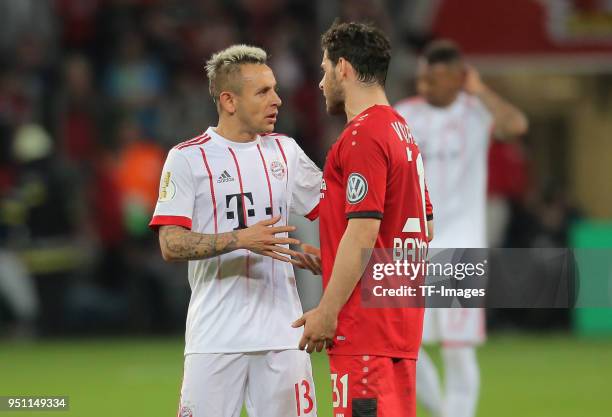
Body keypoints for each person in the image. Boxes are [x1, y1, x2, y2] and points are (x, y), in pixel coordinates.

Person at [149, 44, 322, 417]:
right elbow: (170, 243)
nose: (277, 100)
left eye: (275, 89)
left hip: (284, 334)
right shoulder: (187, 158)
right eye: (263, 92)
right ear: (229, 100)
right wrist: (241, 239)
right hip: (214, 337)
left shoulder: (286, 152)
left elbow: (335, 211)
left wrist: (329, 256)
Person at [292, 21, 433, 417]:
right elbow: (425, 225)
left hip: (364, 332)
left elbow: (365, 231)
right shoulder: (401, 131)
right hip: (398, 329)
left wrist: (327, 311)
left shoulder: (363, 136)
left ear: (344, 69)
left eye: (324, 70)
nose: (320, 82)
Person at [395, 40, 528, 417]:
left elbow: (516, 125)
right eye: (421, 77)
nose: (424, 86)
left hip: (462, 245)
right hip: (408, 246)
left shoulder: (476, 112)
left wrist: (480, 89)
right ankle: (444, 411)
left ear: (457, 78)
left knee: (457, 347)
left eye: (434, 79)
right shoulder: (403, 114)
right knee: (402, 345)